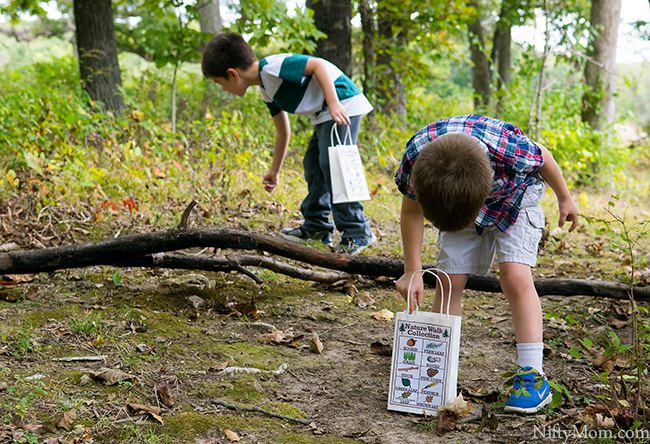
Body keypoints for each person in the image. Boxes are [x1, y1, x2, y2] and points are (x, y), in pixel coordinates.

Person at [394, 114, 579, 414]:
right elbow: (412, 211)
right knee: (448, 279)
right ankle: (438, 370)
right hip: (456, 196)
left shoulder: (508, 148)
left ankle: (532, 376)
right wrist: (412, 269)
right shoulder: (418, 158)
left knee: (515, 277)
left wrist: (565, 198)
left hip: (516, 198)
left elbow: (543, 156)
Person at [201, 32, 376, 254]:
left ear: (232, 74)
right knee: (314, 165)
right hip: (325, 114)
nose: (223, 89)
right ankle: (317, 227)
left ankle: (357, 232)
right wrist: (275, 171)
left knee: (335, 165)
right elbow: (283, 131)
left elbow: (318, 65)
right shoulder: (266, 90)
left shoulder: (272, 67)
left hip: (342, 104)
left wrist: (333, 103)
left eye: (220, 83)